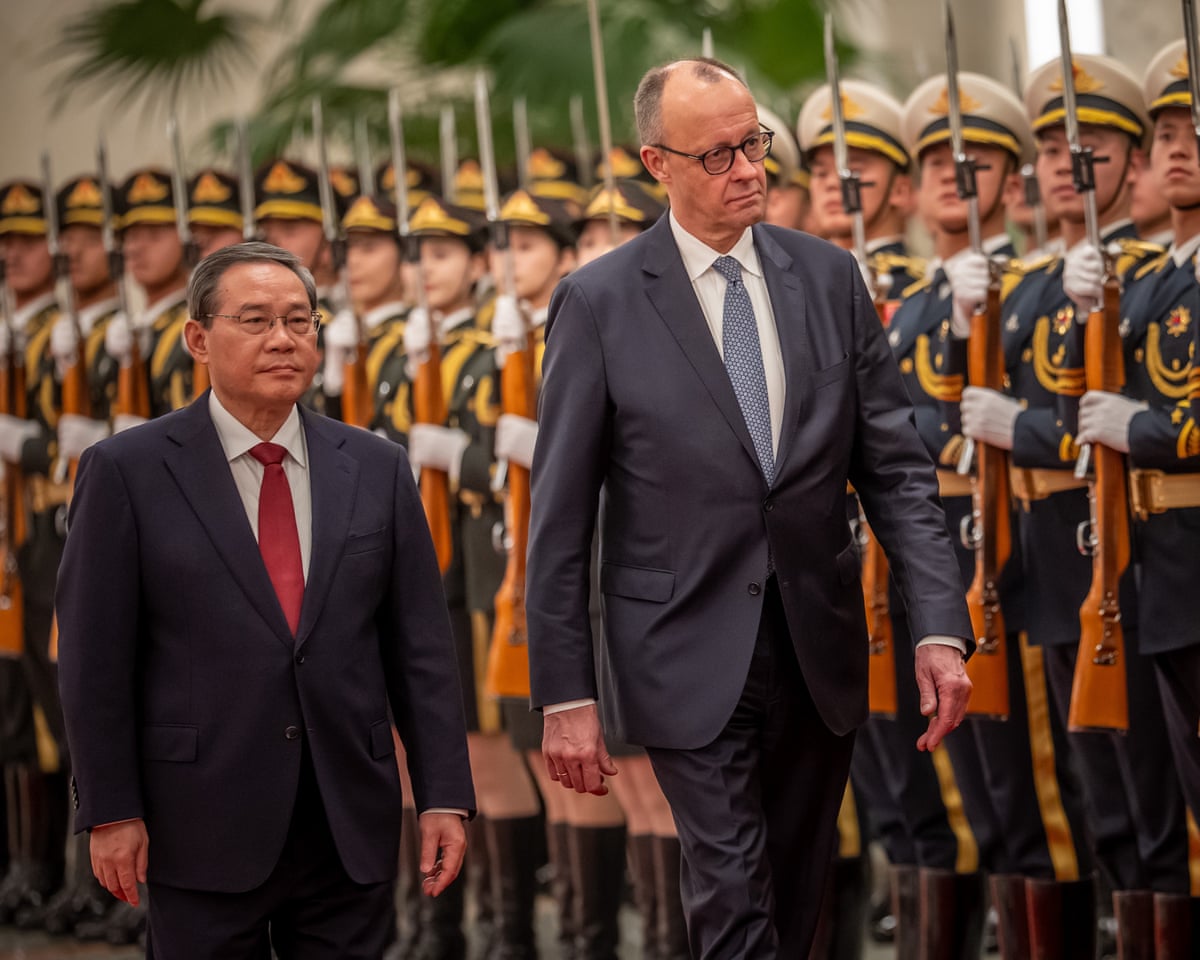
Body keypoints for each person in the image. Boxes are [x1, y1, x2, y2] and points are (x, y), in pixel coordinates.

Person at [525, 57, 973, 958]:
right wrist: (565, 692)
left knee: (800, 898)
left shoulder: (831, 278)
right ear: (658, 164)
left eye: (756, 142)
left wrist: (938, 627)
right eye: (719, 153)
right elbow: (559, 519)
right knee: (733, 898)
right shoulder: (600, 302)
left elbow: (896, 472)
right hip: (681, 649)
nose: (749, 169)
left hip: (817, 645)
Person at [55, 241, 475, 958]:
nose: (283, 339)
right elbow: (94, 662)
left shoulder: (375, 466)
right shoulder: (129, 471)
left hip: (346, 817)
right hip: (199, 818)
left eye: (299, 320)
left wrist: (443, 794)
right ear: (198, 338)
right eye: (254, 320)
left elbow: (421, 650)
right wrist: (111, 809)